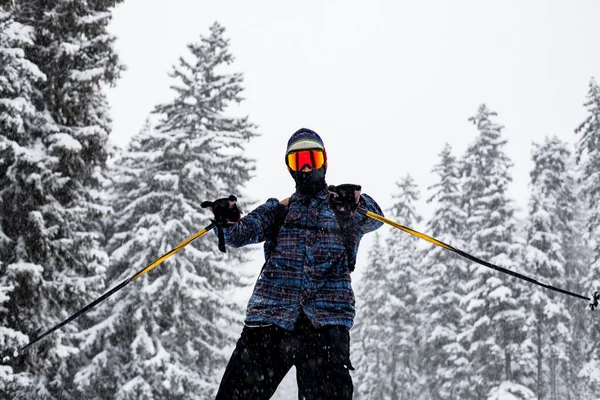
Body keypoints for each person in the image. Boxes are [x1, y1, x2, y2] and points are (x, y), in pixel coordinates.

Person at [204, 128, 384, 400]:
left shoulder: (341, 210)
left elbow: (375, 219)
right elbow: (240, 233)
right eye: (297, 161)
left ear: (324, 160)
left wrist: (358, 203)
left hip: (325, 328)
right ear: (289, 167)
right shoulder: (279, 210)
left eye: (312, 158)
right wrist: (227, 220)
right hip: (269, 322)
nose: (306, 167)